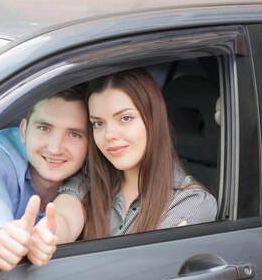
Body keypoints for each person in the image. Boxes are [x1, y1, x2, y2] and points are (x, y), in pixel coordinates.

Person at [33, 68, 217, 244]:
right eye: (98, 123)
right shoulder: (90, 178)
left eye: (125, 118)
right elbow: (64, 217)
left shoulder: (191, 202)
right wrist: (45, 235)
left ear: (153, 119)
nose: (109, 134)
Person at [0, 85, 88, 271]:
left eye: (74, 134)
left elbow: (67, 219)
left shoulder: (90, 177)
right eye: (45, 128)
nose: (56, 148)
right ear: (23, 131)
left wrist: (45, 239)